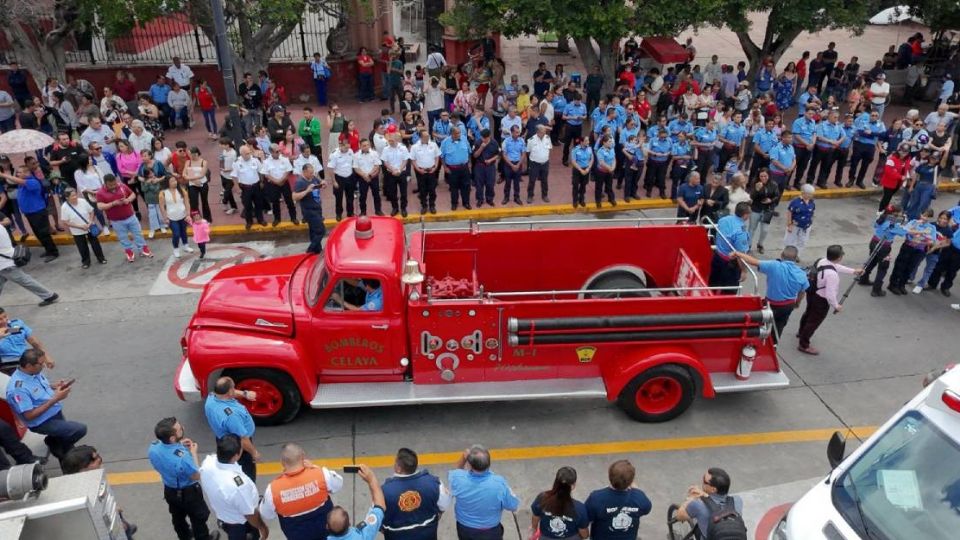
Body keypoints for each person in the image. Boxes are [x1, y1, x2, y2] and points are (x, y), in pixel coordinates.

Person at [6, 349, 87, 463]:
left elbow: (38, 387)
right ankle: (55, 445)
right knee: (79, 430)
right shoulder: (18, 389)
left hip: (55, 413)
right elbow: (29, 415)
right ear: (29, 365)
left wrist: (54, 386)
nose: (43, 366)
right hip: (42, 422)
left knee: (65, 447)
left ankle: (61, 450)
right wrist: (55, 399)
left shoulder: (33, 373)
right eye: (41, 364)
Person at [148, 417, 215, 540]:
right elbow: (196, 475)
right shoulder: (183, 457)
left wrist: (178, 445)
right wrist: (193, 452)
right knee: (198, 519)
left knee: (178, 518)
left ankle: (184, 536)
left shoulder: (154, 448)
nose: (182, 428)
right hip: (189, 492)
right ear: (172, 438)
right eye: (179, 429)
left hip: (170, 490)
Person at [260, 443, 344, 540]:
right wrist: (315, 467)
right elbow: (338, 483)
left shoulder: (273, 489)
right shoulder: (321, 474)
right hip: (326, 533)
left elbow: (267, 514)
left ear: (282, 463)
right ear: (303, 456)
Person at [200, 434, 268, 540]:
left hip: (224, 514)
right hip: (240, 524)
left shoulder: (207, 463)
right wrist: (262, 527)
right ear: (236, 456)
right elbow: (249, 513)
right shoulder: (238, 486)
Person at [798, 245, 861, 354]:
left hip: (812, 293)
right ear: (839, 257)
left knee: (808, 313)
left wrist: (853, 271)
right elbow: (830, 294)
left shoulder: (821, 260)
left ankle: (801, 332)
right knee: (814, 322)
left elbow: (836, 266)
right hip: (821, 300)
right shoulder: (832, 275)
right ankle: (803, 344)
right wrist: (836, 305)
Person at [735, 247, 808, 340]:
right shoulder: (802, 273)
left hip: (771, 305)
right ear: (796, 258)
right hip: (788, 306)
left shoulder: (774, 266)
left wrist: (738, 253)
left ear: (781, 255)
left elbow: (753, 261)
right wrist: (797, 303)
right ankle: (774, 345)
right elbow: (802, 292)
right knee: (778, 327)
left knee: (761, 325)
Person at [448, 444, 519, 540]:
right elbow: (513, 505)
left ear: (469, 465)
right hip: (490, 532)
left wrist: (463, 458)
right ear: (489, 463)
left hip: (465, 529)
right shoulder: (499, 484)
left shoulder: (458, 479)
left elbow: (456, 471)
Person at [381, 448, 452, 540]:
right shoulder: (434, 483)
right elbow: (444, 505)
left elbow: (376, 520)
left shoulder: (384, 491)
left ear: (398, 468)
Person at [204, 376, 260, 481]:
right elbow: (243, 439)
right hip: (238, 445)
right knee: (247, 471)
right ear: (229, 392)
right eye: (233, 388)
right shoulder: (231, 416)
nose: (235, 391)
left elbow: (229, 393)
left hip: (223, 439)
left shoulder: (212, 397)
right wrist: (254, 453)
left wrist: (245, 394)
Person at [0, 166, 59, 262]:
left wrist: (3, 174)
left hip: (38, 212)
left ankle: (53, 252)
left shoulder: (32, 182)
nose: (17, 174)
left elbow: (19, 181)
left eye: (19, 172)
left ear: (26, 173)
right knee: (38, 233)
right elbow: (13, 181)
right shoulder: (22, 183)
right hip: (30, 213)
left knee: (43, 233)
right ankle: (48, 249)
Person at [584, 460, 652, 540]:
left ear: (609, 476)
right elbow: (646, 509)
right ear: (631, 481)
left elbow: (585, 518)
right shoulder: (639, 497)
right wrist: (636, 490)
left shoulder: (596, 498)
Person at [673, 468, 744, 540]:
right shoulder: (737, 500)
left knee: (697, 528)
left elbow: (679, 516)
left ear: (713, 489)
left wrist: (691, 499)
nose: (702, 481)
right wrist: (704, 495)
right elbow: (719, 504)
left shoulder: (698, 505)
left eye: (704, 480)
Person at [97, 174, 153, 262]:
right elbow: (99, 206)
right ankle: (129, 251)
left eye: (114, 183)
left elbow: (133, 194)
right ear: (105, 184)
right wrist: (113, 204)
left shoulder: (122, 186)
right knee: (123, 237)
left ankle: (143, 248)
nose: (113, 186)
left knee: (138, 233)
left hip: (130, 216)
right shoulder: (100, 193)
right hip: (116, 220)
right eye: (110, 185)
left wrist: (128, 200)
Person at [859, 205, 908, 297]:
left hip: (874, 242)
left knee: (872, 261)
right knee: (883, 268)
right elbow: (903, 232)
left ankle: (863, 279)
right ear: (896, 213)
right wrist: (904, 223)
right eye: (901, 212)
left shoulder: (882, 217)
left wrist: (900, 221)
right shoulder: (893, 223)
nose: (902, 214)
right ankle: (876, 290)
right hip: (884, 247)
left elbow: (876, 225)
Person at [326, 464, 385, 540]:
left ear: (327, 527)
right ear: (349, 524)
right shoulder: (363, 537)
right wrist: (371, 479)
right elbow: (380, 506)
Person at [887, 208, 937, 295]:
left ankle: (901, 285)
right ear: (920, 214)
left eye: (928, 217)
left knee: (910, 267)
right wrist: (917, 231)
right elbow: (906, 231)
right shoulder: (913, 222)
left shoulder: (932, 227)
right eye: (924, 215)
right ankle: (892, 284)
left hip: (920, 250)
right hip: (908, 247)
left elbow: (933, 240)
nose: (925, 218)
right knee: (900, 265)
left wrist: (925, 240)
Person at [530, 467, 590, 540]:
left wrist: (534, 530)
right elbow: (584, 535)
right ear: (573, 486)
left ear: (556, 482)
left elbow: (535, 517)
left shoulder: (542, 498)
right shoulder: (579, 508)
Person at [709, 202, 751, 292]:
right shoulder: (740, 232)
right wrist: (744, 271)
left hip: (717, 257)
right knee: (729, 292)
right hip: (729, 265)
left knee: (713, 285)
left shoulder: (723, 220)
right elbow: (741, 255)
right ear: (745, 215)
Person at [60, 187, 106, 268]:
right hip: (77, 231)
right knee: (82, 247)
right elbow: (65, 221)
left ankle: (101, 258)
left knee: (95, 244)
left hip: (89, 227)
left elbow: (91, 211)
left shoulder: (82, 201)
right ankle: (86, 262)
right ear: (67, 198)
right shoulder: (64, 207)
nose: (75, 197)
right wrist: (79, 226)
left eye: (75, 195)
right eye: (72, 196)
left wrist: (90, 221)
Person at [0, 307, 55, 372]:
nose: (4, 320)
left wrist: (45, 356)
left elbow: (33, 341)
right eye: (0, 319)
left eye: (5, 316)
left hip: (28, 361)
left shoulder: (16, 324)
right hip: (8, 366)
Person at [293, 164, 328, 254]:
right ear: (304, 172)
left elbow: (318, 184)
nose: (313, 174)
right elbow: (294, 197)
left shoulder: (313, 178)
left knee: (314, 232)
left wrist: (323, 184)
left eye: (313, 172)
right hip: (309, 211)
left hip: (317, 208)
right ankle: (309, 251)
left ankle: (317, 251)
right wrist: (307, 191)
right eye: (310, 173)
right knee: (321, 231)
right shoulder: (300, 182)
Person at [260, 143, 298, 226]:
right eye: (277, 151)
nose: (279, 153)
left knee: (289, 201)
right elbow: (266, 174)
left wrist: (281, 180)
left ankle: (293, 218)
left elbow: (288, 170)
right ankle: (277, 219)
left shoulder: (284, 159)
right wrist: (276, 181)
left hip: (284, 183)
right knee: (275, 202)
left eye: (279, 151)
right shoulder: (266, 162)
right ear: (271, 152)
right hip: (273, 185)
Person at [847, 109, 886, 189]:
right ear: (869, 116)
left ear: (878, 117)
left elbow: (883, 135)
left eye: (876, 116)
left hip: (870, 147)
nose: (874, 117)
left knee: (865, 165)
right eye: (872, 115)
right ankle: (851, 179)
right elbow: (860, 132)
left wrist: (871, 133)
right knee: (854, 163)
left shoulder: (881, 124)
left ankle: (859, 181)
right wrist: (875, 135)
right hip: (859, 144)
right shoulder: (863, 122)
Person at [232, 145, 266, 230]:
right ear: (241, 154)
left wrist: (262, 181)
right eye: (247, 153)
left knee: (259, 204)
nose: (249, 154)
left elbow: (261, 171)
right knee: (247, 206)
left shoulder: (255, 160)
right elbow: (234, 176)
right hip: (245, 188)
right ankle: (249, 222)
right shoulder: (237, 163)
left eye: (249, 152)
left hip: (256, 186)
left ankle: (260, 219)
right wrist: (237, 187)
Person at [441, 126, 472, 211]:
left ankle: (466, 202)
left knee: (466, 186)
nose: (459, 135)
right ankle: (454, 203)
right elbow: (442, 156)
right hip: (452, 169)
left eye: (459, 133)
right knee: (454, 187)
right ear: (452, 134)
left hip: (464, 168)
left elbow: (469, 152)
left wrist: (469, 163)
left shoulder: (464, 139)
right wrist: (445, 167)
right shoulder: (445, 142)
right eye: (457, 133)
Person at [381, 132, 411, 217]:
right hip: (391, 173)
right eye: (389, 140)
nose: (391, 142)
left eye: (392, 140)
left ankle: (403, 208)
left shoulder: (403, 148)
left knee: (403, 192)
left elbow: (405, 160)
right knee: (392, 192)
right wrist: (393, 170)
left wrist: (399, 170)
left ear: (397, 140)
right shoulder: (386, 149)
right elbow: (385, 162)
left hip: (401, 173)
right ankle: (395, 208)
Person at [353, 139, 384, 216]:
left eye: (367, 145)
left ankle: (378, 210)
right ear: (360, 146)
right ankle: (363, 212)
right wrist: (364, 176)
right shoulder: (356, 155)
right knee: (363, 196)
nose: (366, 147)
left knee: (376, 195)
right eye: (364, 145)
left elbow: (377, 166)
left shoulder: (374, 153)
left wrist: (370, 175)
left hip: (373, 177)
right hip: (362, 178)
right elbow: (356, 168)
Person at [784, 184, 816, 257]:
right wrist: (789, 224)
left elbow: (812, 212)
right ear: (804, 193)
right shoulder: (796, 202)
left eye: (812, 194)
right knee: (790, 241)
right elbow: (790, 212)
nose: (811, 196)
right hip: (795, 225)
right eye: (809, 194)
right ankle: (787, 256)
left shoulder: (811, 202)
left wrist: (810, 222)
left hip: (806, 227)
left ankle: (797, 255)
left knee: (803, 242)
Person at [526, 125, 552, 203]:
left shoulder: (547, 138)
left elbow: (549, 149)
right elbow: (528, 152)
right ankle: (530, 196)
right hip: (534, 164)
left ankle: (545, 195)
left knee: (544, 180)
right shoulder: (531, 140)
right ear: (538, 132)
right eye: (543, 132)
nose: (544, 133)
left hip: (545, 163)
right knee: (532, 180)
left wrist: (545, 157)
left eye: (545, 132)